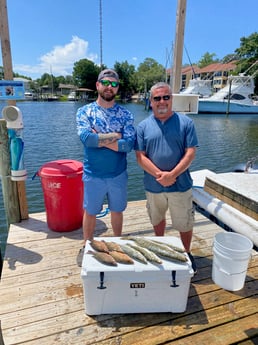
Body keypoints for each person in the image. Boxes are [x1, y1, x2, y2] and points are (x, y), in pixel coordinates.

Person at [135, 82, 198, 273]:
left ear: (171, 99)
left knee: (184, 222)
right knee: (157, 219)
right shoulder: (143, 126)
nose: (162, 101)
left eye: (166, 97)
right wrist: (160, 175)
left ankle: (186, 253)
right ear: (151, 101)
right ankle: (161, 247)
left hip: (181, 185)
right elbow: (140, 156)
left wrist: (172, 175)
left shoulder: (186, 123)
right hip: (153, 186)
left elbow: (190, 153)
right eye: (157, 98)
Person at [76, 69, 135, 265]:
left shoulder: (126, 114)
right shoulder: (84, 111)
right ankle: (87, 245)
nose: (109, 87)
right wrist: (116, 136)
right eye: (105, 82)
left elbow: (128, 145)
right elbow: (87, 139)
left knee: (117, 210)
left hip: (118, 174)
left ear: (117, 88)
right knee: (90, 211)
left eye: (114, 84)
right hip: (93, 174)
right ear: (97, 85)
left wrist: (101, 138)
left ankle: (117, 244)